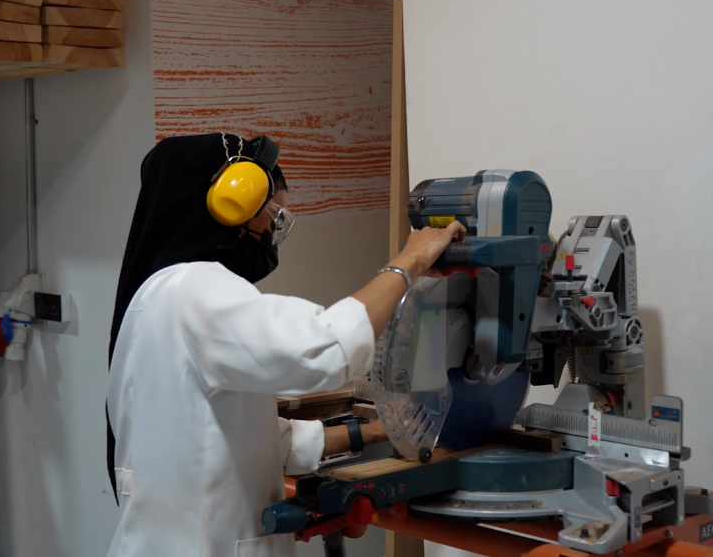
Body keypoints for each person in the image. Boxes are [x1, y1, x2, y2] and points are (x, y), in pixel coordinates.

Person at [105, 133, 464, 557]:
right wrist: (410, 261)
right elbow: (326, 348)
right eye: (273, 215)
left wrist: (375, 431)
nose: (271, 233)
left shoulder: (156, 295)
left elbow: (247, 438)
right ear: (230, 204)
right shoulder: (197, 290)